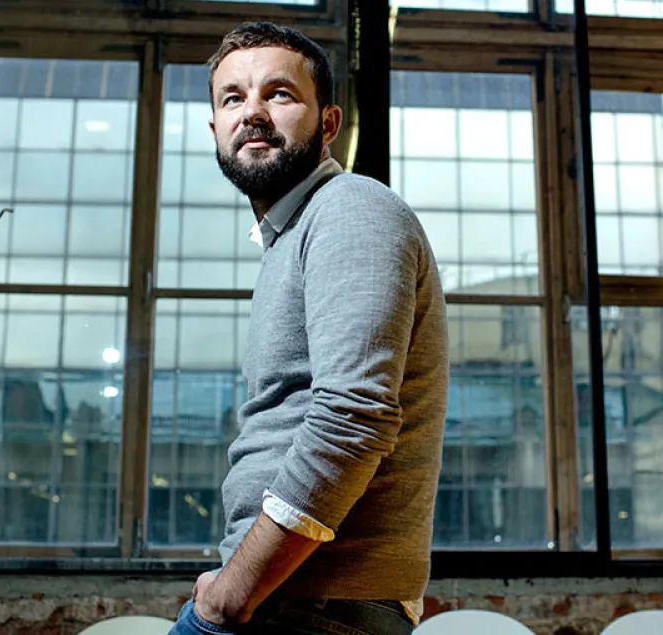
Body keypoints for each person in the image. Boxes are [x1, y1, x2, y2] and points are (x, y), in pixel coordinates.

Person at [167, 21, 449, 635]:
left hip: (313, 608)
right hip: (285, 603)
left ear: (328, 123)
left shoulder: (350, 208)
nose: (253, 112)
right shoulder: (291, 237)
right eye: (233, 98)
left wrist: (228, 597)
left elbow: (352, 417)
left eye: (279, 93)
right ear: (215, 129)